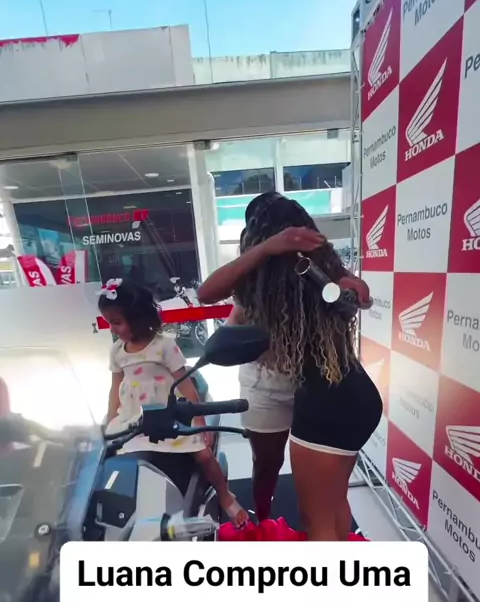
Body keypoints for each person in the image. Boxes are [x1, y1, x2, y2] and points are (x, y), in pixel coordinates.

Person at [198, 194, 382, 540]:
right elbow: (206, 294)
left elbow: (356, 291)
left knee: (322, 506)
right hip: (268, 387)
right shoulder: (252, 278)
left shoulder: (319, 271)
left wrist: (352, 291)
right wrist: (268, 249)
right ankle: (263, 520)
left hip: (316, 392)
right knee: (268, 467)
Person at [98, 278, 248, 525]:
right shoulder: (117, 351)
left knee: (203, 456)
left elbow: (186, 384)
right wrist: (111, 419)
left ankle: (224, 495)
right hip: (135, 419)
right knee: (112, 461)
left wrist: (198, 421)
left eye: (116, 322)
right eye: (109, 322)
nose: (112, 329)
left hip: (169, 416)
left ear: (137, 319)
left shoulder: (164, 346)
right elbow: (116, 386)